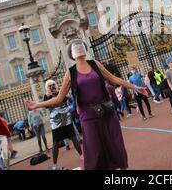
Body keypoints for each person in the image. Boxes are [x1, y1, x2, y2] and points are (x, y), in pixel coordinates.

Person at [25, 39, 148, 170]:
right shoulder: (70, 72)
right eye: (74, 45)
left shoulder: (94, 64)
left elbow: (114, 78)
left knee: (115, 143)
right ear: (72, 53)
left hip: (106, 111)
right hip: (88, 116)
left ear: (84, 49)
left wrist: (135, 87)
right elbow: (59, 98)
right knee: (94, 150)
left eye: (79, 44)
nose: (77, 46)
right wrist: (36, 105)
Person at [42, 79, 82, 170]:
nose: (52, 87)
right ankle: (55, 163)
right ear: (47, 87)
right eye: (50, 86)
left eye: (53, 85)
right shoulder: (46, 96)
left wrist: (61, 94)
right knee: (55, 142)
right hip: (55, 122)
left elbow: (66, 99)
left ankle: (82, 154)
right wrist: (52, 97)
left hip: (66, 118)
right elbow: (46, 106)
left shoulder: (60, 92)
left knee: (73, 137)